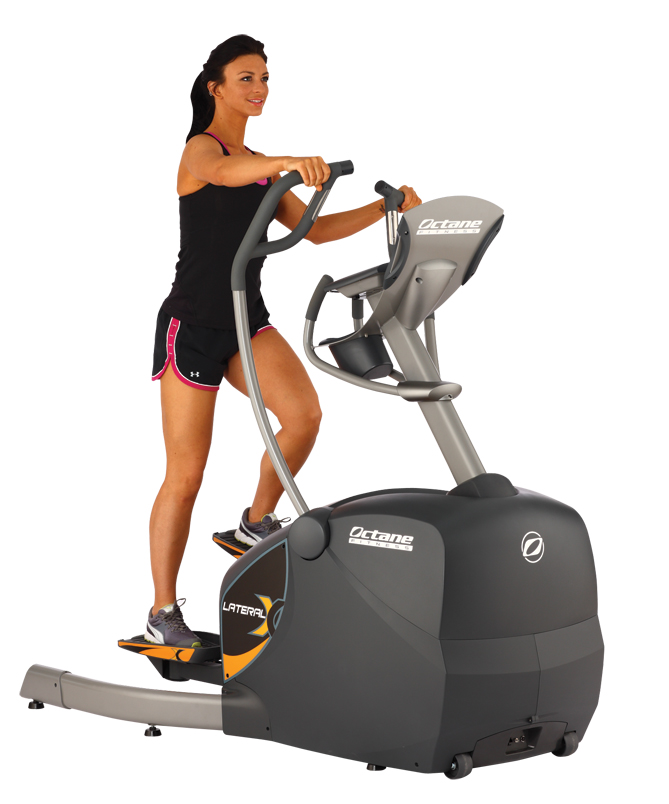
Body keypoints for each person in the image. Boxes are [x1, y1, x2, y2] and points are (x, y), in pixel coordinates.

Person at [145, 35, 422, 648]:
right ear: (216, 87)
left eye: (265, 78)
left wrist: (386, 207)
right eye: (246, 78)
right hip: (193, 326)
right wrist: (288, 163)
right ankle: (162, 613)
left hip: (247, 319)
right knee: (185, 475)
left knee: (302, 417)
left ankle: (253, 522)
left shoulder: (262, 165)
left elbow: (314, 231)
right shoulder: (202, 150)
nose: (259, 89)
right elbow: (224, 173)